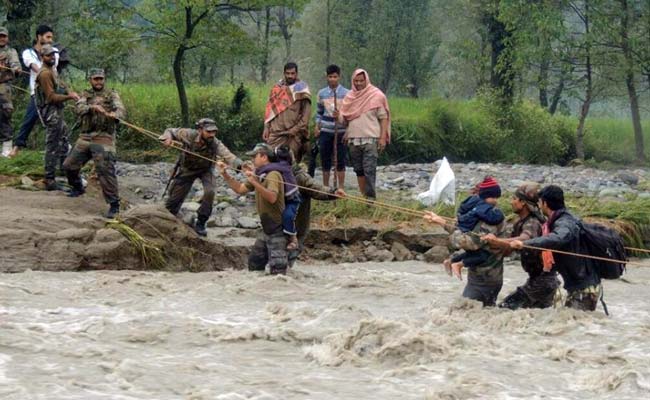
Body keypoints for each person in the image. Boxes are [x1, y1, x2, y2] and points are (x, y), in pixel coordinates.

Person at [510, 185, 602, 312]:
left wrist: (526, 243)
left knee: (575, 325)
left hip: (585, 287)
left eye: (540, 202)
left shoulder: (564, 222)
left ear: (545, 203)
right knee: (570, 325)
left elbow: (558, 238)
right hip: (577, 285)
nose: (539, 206)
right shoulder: (559, 219)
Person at [424, 177, 506, 307]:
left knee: (461, 312)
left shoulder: (491, 217)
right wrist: (440, 221)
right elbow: (463, 228)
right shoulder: (481, 212)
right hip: (479, 276)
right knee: (480, 316)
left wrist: (447, 230)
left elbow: (472, 243)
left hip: (486, 278)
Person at [159, 118, 242, 236]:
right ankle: (169, 217)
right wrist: (167, 138)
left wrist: (240, 165)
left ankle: (201, 222)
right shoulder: (188, 134)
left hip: (206, 170)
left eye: (214, 132)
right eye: (208, 132)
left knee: (210, 192)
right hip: (187, 169)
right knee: (173, 201)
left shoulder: (215, 143)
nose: (212, 134)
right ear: (200, 130)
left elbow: (228, 155)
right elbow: (170, 131)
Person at [483, 183, 561, 310]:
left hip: (543, 282)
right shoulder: (519, 223)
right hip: (539, 281)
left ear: (523, 202)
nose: (511, 202)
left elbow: (525, 239)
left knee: (504, 310)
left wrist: (497, 240)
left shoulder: (533, 222)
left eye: (514, 198)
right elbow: (509, 249)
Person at [63, 68, 126, 218]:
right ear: (90, 80)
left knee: (105, 169)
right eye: (95, 79)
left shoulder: (112, 94)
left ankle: (114, 204)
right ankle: (78, 187)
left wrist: (113, 114)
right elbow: (78, 108)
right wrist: (92, 107)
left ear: (104, 80)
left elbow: (121, 111)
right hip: (86, 136)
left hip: (104, 137)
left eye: (101, 79)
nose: (98, 82)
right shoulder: (85, 94)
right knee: (68, 165)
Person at [217, 143, 288, 275]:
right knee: (254, 264)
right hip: (266, 228)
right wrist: (225, 174)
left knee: (278, 272)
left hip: (278, 228)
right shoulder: (259, 174)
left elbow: (272, 197)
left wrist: (255, 182)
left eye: (254, 156)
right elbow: (240, 189)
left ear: (264, 157)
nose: (252, 160)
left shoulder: (273, 174)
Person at [337, 69, 390, 199]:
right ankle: (363, 197)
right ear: (352, 81)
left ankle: (371, 199)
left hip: (371, 139)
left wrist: (382, 138)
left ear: (366, 80)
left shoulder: (377, 95)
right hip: (353, 139)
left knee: (369, 170)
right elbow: (345, 120)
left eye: (361, 80)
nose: (359, 83)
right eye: (356, 81)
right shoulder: (349, 97)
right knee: (358, 170)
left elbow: (383, 118)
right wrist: (337, 116)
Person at [9, 25, 59, 158]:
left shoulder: (54, 52)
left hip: (52, 93)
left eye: (51, 38)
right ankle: (16, 148)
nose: (50, 40)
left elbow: (53, 68)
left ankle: (61, 150)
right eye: (48, 37)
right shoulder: (28, 53)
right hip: (36, 93)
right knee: (29, 120)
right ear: (39, 36)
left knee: (56, 122)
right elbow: (33, 66)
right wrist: (42, 73)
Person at [34, 44, 78, 191]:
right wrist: (69, 97)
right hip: (51, 112)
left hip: (57, 112)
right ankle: (50, 178)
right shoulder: (44, 74)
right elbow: (51, 97)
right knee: (52, 145)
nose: (51, 57)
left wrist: (69, 91)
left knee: (64, 138)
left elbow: (60, 86)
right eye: (48, 55)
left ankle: (65, 170)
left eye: (53, 55)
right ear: (42, 57)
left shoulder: (52, 70)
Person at [448, 176, 505, 278]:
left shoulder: (473, 204)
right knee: (484, 254)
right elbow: (494, 218)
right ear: (486, 196)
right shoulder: (484, 208)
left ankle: (451, 261)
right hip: (468, 237)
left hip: (463, 232)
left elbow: (463, 216)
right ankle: (459, 264)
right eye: (494, 198)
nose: (496, 201)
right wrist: (500, 214)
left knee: (473, 253)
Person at [263, 62, 311, 162]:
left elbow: (305, 117)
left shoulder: (302, 90)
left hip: (292, 135)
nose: (290, 76)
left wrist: (295, 130)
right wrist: (266, 127)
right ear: (284, 73)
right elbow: (269, 110)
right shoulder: (276, 89)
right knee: (270, 161)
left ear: (297, 74)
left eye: (292, 73)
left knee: (290, 164)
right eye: (288, 73)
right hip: (275, 133)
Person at [314, 64, 349, 187]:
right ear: (327, 77)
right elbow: (318, 112)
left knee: (340, 160)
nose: (333, 79)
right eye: (330, 77)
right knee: (325, 159)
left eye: (335, 77)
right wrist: (317, 126)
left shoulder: (346, 93)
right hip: (325, 130)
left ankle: (341, 187)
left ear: (339, 77)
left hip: (341, 131)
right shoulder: (322, 93)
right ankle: (325, 187)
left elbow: (349, 114)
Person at [266, 145, 302, 250]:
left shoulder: (283, 166)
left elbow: (268, 168)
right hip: (281, 199)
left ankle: (293, 239)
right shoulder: (279, 166)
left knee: (288, 216)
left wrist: (258, 170)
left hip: (292, 199)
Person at [0, 27, 21, 157]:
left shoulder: (10, 51)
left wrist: (16, 69)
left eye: (4, 36)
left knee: (5, 114)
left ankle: (6, 149)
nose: (2, 38)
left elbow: (15, 64)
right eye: (0, 36)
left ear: (7, 38)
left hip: (3, 86)